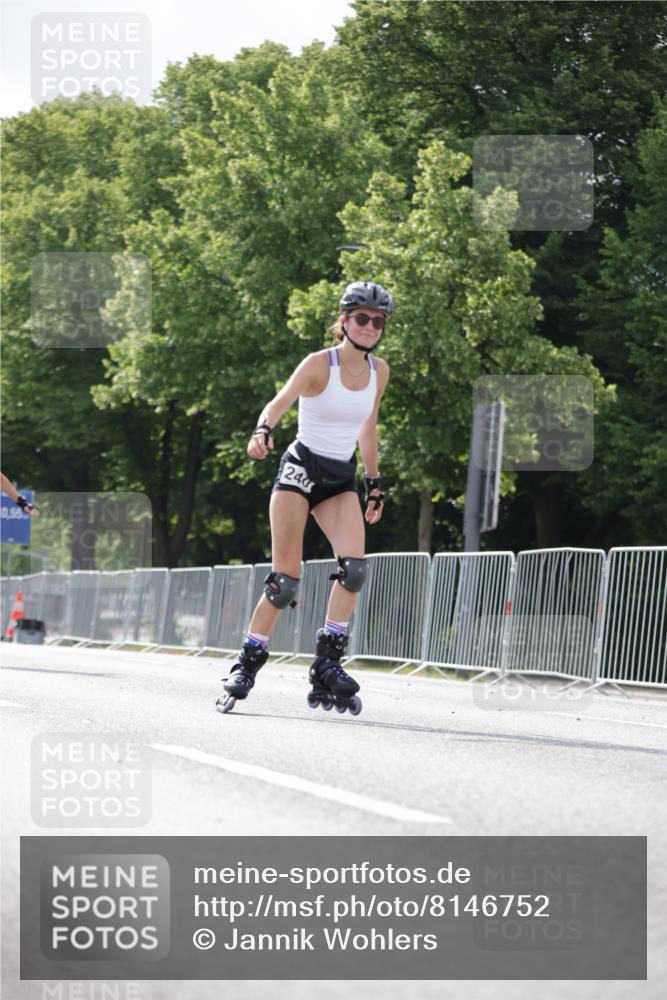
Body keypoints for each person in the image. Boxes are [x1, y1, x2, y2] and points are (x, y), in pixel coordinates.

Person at [216, 280, 393, 716]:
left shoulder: (379, 372)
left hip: (338, 478)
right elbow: (277, 404)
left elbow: (367, 429)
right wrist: (262, 431)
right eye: (361, 318)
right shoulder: (320, 364)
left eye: (378, 321)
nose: (370, 326)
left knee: (353, 571)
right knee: (285, 581)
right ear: (344, 321)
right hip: (300, 469)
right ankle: (247, 663)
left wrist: (374, 483)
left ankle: (327, 662)